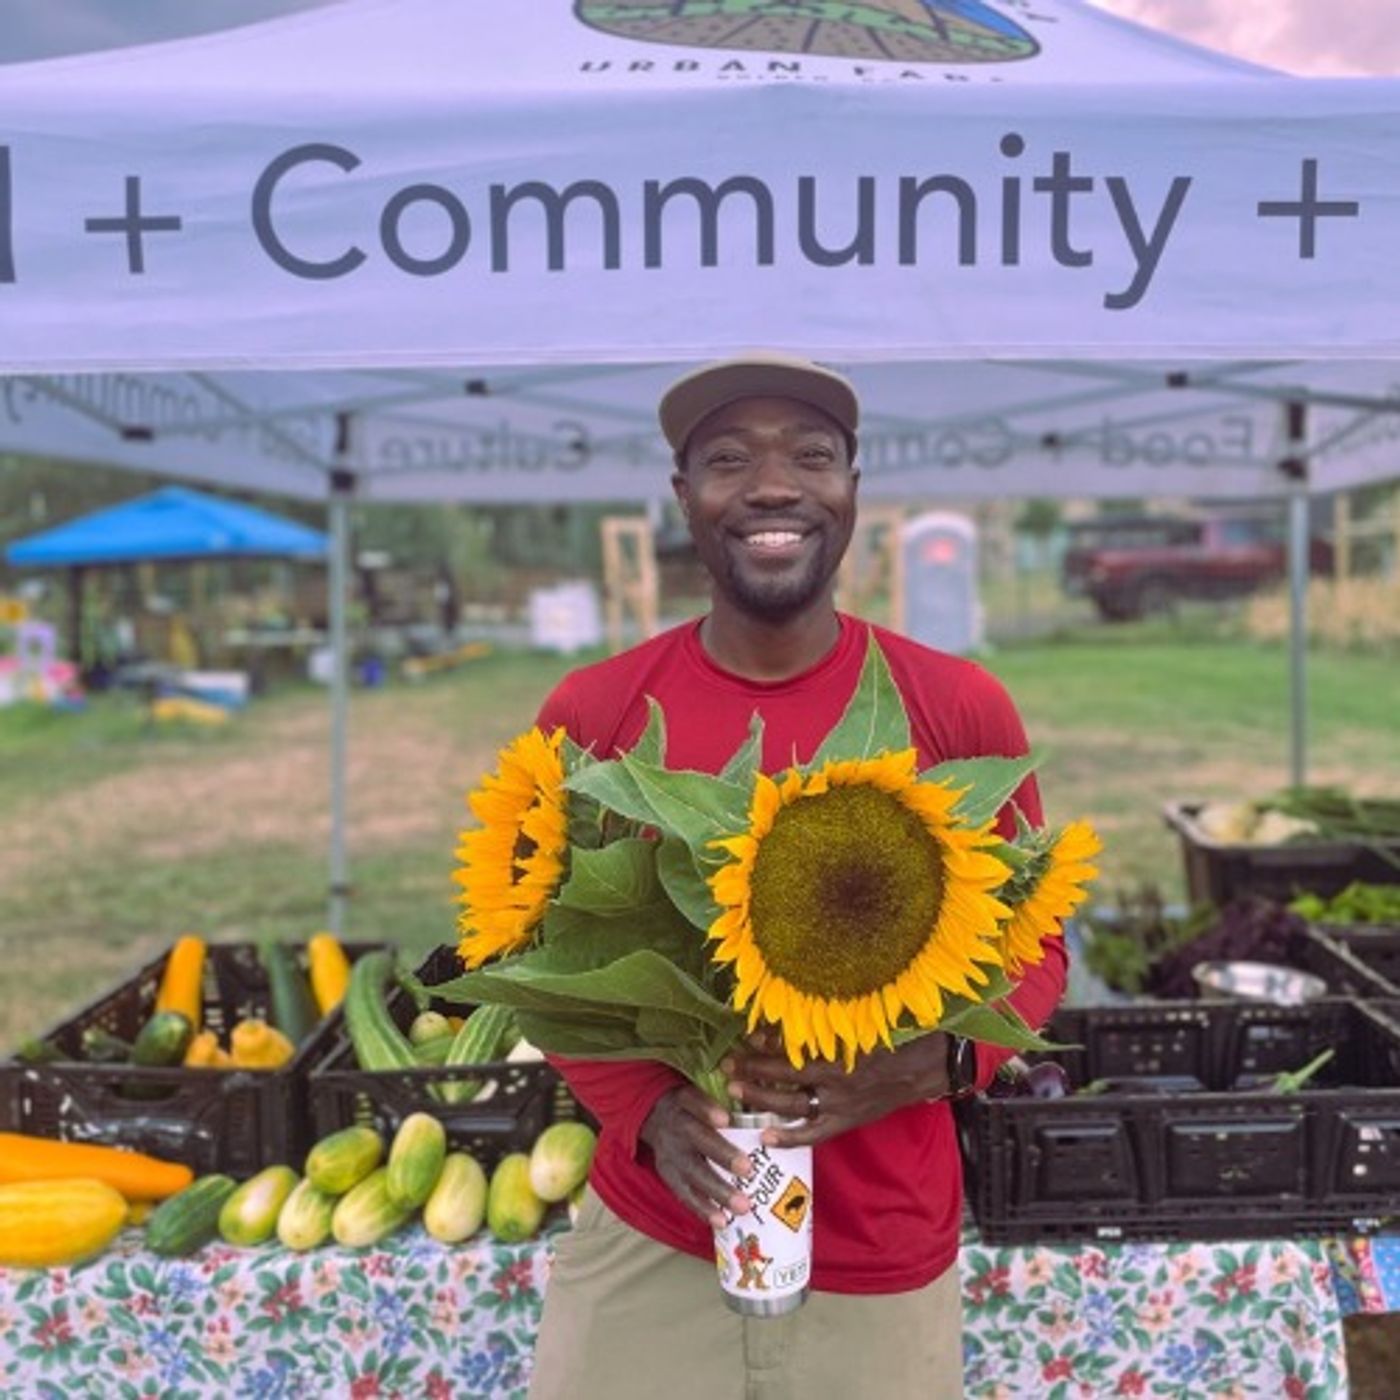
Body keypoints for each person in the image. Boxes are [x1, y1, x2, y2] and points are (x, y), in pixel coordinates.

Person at [527, 352, 1066, 1400]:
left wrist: (939, 1063)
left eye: (810, 455)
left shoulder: (953, 709)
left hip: (883, 1243)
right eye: (728, 459)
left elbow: (1033, 939)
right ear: (683, 498)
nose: (772, 485)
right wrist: (643, 1106)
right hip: (657, 1235)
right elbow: (528, 949)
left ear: (851, 492)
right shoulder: (595, 716)